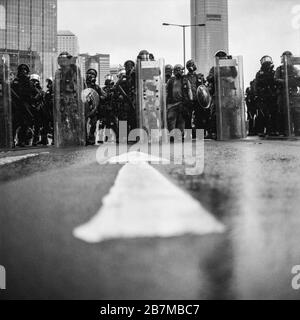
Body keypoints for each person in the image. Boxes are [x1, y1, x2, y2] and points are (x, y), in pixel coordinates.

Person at [206, 50, 238, 139]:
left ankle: (233, 132)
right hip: (218, 94)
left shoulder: (229, 68)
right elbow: (209, 78)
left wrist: (231, 64)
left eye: (223, 58)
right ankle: (214, 132)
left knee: (231, 113)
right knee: (215, 114)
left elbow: (235, 74)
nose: (221, 60)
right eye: (220, 58)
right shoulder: (214, 68)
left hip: (229, 94)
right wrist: (220, 78)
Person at [275, 51, 300, 136]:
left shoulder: (295, 69)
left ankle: (298, 130)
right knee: (283, 112)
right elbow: (276, 80)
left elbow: (298, 80)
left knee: (296, 112)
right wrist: (289, 81)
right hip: (283, 94)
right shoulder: (279, 69)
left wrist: (287, 81)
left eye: (289, 57)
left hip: (293, 94)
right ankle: (285, 130)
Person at [11, 64, 36, 147]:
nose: (23, 71)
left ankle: (21, 141)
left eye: (25, 69)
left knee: (24, 124)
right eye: (21, 69)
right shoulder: (15, 82)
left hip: (26, 107)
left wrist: (31, 104)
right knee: (14, 124)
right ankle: (12, 141)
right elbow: (11, 93)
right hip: (16, 106)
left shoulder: (29, 83)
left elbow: (34, 94)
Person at [166, 64, 193, 135]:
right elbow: (166, 92)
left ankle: (179, 136)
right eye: (178, 70)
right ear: (175, 71)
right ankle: (172, 136)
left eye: (181, 70)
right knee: (171, 120)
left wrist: (190, 100)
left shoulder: (185, 80)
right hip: (172, 104)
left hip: (182, 104)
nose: (180, 71)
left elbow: (189, 90)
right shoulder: (170, 80)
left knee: (181, 121)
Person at [255, 55, 278, 137]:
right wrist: (257, 95)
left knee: (273, 113)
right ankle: (262, 130)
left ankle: (273, 130)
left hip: (272, 95)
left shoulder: (273, 72)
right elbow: (257, 85)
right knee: (263, 114)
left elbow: (276, 82)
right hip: (263, 96)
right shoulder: (260, 73)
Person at [85, 68, 106, 145]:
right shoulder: (83, 85)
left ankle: (91, 137)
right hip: (84, 107)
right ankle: (84, 137)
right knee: (83, 124)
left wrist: (100, 97)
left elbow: (104, 95)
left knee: (93, 123)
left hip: (93, 108)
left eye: (92, 74)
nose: (90, 75)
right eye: (89, 73)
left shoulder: (96, 87)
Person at [185, 59, 206, 132]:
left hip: (198, 100)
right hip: (189, 100)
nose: (194, 66)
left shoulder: (199, 76)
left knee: (199, 117)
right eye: (192, 65)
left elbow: (203, 87)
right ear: (189, 67)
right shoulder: (185, 77)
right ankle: (188, 135)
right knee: (188, 117)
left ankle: (200, 134)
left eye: (194, 64)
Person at [29, 74, 45, 146]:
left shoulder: (40, 91)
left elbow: (42, 99)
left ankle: (35, 140)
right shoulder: (28, 89)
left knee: (37, 126)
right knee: (26, 125)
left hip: (37, 110)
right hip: (29, 108)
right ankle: (25, 140)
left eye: (36, 81)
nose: (34, 82)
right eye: (33, 81)